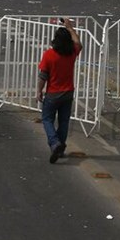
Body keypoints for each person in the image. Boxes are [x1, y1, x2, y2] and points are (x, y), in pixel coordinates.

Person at [36, 19, 82, 164]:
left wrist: (39, 91)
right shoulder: (72, 53)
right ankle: (60, 148)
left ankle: (55, 143)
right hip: (68, 92)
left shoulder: (49, 55)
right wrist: (70, 28)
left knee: (47, 119)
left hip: (53, 93)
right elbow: (79, 43)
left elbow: (43, 76)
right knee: (63, 121)